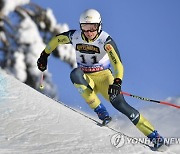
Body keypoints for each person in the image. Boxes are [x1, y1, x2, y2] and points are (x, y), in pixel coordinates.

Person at [37, 9, 164, 149]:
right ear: (81, 27)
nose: (89, 32)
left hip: (104, 77)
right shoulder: (75, 36)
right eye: (85, 27)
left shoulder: (105, 40)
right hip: (86, 77)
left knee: (120, 105)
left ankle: (154, 136)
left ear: (99, 26)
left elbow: (118, 64)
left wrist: (117, 82)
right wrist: (44, 55)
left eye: (93, 28)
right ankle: (101, 112)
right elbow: (56, 40)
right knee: (75, 74)